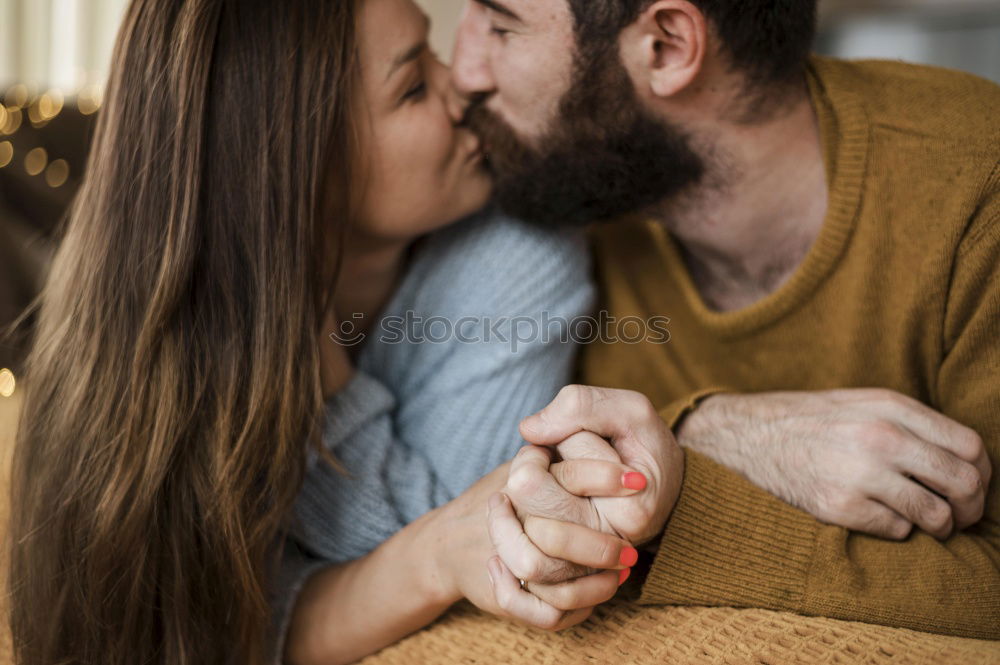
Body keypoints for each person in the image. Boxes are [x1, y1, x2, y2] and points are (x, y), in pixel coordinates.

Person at [6, 1, 648, 665]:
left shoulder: (519, 251)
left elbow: (466, 552)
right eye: (413, 87)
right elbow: (154, 625)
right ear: (296, 169)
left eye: (430, 52)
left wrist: (323, 376)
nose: (462, 85)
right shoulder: (139, 332)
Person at [450, 0, 999, 640]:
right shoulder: (555, 197)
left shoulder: (978, 195)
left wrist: (683, 501)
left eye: (501, 26)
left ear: (666, 46)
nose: (464, 71)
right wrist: (708, 433)